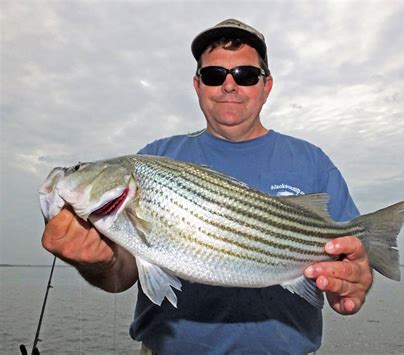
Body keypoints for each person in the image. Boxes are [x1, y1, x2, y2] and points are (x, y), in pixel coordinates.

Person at [42, 19, 373, 354]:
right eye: (215, 75)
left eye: (245, 75)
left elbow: (354, 260)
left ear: (267, 85)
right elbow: (124, 271)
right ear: (198, 84)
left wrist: (355, 279)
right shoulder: (156, 156)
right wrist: (96, 262)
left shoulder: (312, 161)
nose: (229, 85)